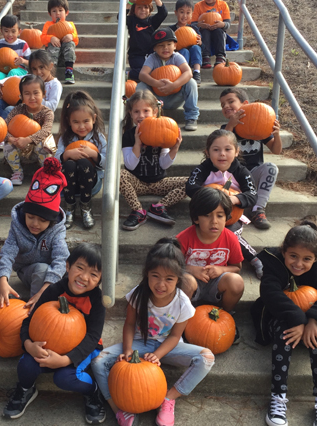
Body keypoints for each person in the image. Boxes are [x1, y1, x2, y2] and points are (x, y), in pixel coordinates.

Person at [91, 238, 214, 426]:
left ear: (178, 279)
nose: (161, 284)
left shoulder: (183, 304)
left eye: (169, 279)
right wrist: (127, 349)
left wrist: (157, 355)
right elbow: (130, 325)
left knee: (207, 358)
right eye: (155, 276)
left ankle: (168, 399)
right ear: (147, 274)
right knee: (99, 361)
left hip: (169, 346)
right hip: (141, 343)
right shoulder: (137, 295)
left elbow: (174, 336)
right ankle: (118, 408)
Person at [3, 243, 106, 425]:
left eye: (93, 274)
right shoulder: (54, 291)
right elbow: (29, 321)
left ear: (100, 280)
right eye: (79, 268)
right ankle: (26, 388)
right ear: (68, 266)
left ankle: (92, 391)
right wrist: (28, 344)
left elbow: (92, 337)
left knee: (64, 378)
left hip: (82, 347)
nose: (84, 277)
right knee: (26, 365)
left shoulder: (97, 300)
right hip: (48, 345)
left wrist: (66, 360)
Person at [252, 221, 317, 426]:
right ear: (284, 251)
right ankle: (278, 397)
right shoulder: (273, 264)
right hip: (281, 316)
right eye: (293, 256)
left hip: (311, 320)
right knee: (284, 334)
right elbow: (271, 293)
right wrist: (298, 319)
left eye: (306, 259)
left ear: (316, 258)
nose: (298, 264)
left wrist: (313, 320)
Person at [185, 129, 263, 279]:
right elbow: (190, 187)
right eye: (216, 150)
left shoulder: (242, 171)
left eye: (228, 149)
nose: (222, 154)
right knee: (203, 232)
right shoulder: (201, 170)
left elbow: (252, 195)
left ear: (236, 151)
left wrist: (232, 199)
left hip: (230, 217)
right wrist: (209, 196)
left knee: (230, 234)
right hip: (205, 215)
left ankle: (255, 258)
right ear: (207, 152)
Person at [0, 157, 69, 311]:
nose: (35, 223)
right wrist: (2, 280)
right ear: (25, 213)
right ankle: (35, 311)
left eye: (42, 220)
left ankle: (46, 299)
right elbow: (8, 253)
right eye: (30, 217)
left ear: (51, 221)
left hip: (49, 274)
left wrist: (44, 290)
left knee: (68, 273)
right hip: (27, 271)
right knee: (41, 269)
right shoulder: (17, 226)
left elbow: (61, 258)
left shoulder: (57, 230)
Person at [176, 187, 244, 341]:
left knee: (236, 282)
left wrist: (221, 269)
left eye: (220, 216)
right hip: (192, 285)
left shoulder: (230, 238)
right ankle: (182, 320)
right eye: (207, 215)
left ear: (226, 218)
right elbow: (171, 267)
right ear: (196, 218)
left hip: (216, 284)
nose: (214, 221)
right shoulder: (184, 238)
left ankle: (225, 316)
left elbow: (237, 268)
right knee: (186, 280)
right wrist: (191, 270)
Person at [120, 90, 187, 231]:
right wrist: (137, 144)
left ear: (155, 112)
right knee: (119, 175)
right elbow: (130, 165)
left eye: (146, 111)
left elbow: (164, 164)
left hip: (159, 182)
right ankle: (138, 211)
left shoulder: (162, 130)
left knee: (193, 181)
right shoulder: (128, 135)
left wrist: (174, 148)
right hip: (137, 183)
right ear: (131, 114)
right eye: (136, 111)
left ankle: (159, 207)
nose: (141, 115)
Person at [219, 88, 282, 229]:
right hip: (232, 177)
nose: (226, 106)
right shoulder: (226, 128)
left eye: (230, 102)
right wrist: (231, 125)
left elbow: (276, 150)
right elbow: (222, 144)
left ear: (245, 104)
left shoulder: (260, 125)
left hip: (252, 175)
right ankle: (229, 211)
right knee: (220, 188)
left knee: (271, 167)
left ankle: (258, 209)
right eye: (222, 105)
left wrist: (276, 134)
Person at [55, 91, 107, 230]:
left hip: (90, 183)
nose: (82, 126)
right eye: (76, 122)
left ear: (94, 119)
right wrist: (66, 155)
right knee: (70, 164)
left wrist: (94, 155)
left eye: (86, 121)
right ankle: (69, 207)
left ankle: (85, 207)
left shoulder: (98, 138)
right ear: (68, 121)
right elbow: (55, 161)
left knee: (84, 163)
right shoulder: (65, 138)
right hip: (69, 184)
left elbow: (108, 164)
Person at [137, 27, 199, 131]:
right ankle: (147, 117)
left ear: (175, 46)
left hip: (175, 97)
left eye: (169, 44)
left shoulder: (177, 57)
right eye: (161, 45)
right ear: (154, 48)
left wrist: (174, 85)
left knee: (191, 83)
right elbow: (142, 75)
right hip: (155, 99)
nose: (165, 48)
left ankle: (191, 117)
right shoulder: (152, 58)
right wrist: (156, 83)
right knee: (140, 86)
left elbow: (188, 73)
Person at [3, 75, 56, 185]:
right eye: (27, 94)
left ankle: (46, 172)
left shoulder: (47, 112)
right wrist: (11, 139)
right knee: (7, 146)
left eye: (36, 93)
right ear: (21, 96)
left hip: (38, 145)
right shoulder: (18, 110)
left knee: (44, 146)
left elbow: (45, 131)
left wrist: (28, 139)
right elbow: (3, 127)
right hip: (18, 144)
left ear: (44, 94)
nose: (32, 97)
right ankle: (17, 171)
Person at [0, 50, 63, 120]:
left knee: (9, 109)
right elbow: (15, 78)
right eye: (34, 69)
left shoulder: (55, 85)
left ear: (50, 66)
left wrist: (32, 99)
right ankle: (0, 127)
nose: (38, 72)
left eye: (41, 67)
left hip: (37, 114)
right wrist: (0, 82)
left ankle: (4, 130)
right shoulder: (31, 78)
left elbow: (52, 106)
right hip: (24, 107)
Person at [124, 0, 167, 82]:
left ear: (150, 9)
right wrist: (130, 3)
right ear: (134, 9)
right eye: (139, 7)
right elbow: (121, 17)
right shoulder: (132, 21)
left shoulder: (152, 21)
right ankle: (129, 74)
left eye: (146, 7)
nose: (143, 10)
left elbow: (163, 13)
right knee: (144, 72)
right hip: (136, 55)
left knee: (155, 71)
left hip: (151, 54)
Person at [191, 0, 231, 68]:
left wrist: (222, 24)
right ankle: (205, 56)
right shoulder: (198, 6)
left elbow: (228, 23)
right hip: (204, 32)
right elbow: (192, 24)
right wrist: (199, 25)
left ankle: (220, 56)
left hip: (218, 31)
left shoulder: (223, 5)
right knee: (204, 32)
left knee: (219, 32)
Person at [0, 14, 30, 98]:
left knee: (13, 72)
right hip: (2, 70)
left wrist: (23, 61)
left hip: (20, 70)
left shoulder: (23, 44)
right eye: (6, 31)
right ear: (1, 30)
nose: (10, 34)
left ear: (19, 31)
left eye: (13, 31)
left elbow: (31, 63)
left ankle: (11, 93)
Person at [40, 0, 79, 84]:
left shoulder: (70, 25)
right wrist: (51, 38)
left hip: (66, 58)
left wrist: (71, 36)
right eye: (54, 11)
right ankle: (51, 73)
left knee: (70, 43)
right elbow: (42, 39)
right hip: (52, 57)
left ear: (66, 12)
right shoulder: (48, 25)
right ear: (50, 14)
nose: (57, 13)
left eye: (60, 10)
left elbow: (76, 40)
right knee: (53, 44)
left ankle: (69, 71)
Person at [169, 0, 203, 86]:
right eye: (181, 12)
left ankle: (196, 72)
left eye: (188, 13)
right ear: (176, 13)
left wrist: (200, 43)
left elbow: (203, 48)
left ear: (192, 14)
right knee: (184, 51)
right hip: (179, 58)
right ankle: (184, 74)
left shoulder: (194, 29)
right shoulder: (171, 30)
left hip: (193, 58)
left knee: (196, 47)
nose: (184, 16)